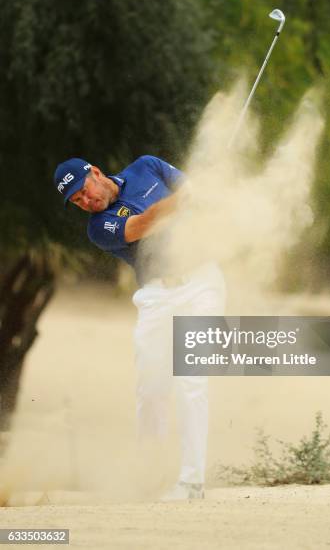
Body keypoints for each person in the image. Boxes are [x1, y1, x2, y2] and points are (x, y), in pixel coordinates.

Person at [54, 155, 226, 500]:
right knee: (151, 389)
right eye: (76, 201)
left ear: (96, 173)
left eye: (83, 191)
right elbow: (145, 223)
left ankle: (191, 483)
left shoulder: (148, 166)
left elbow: (195, 191)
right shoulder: (99, 227)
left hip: (202, 284)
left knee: (191, 380)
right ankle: (150, 477)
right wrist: (185, 199)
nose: (86, 201)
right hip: (156, 298)